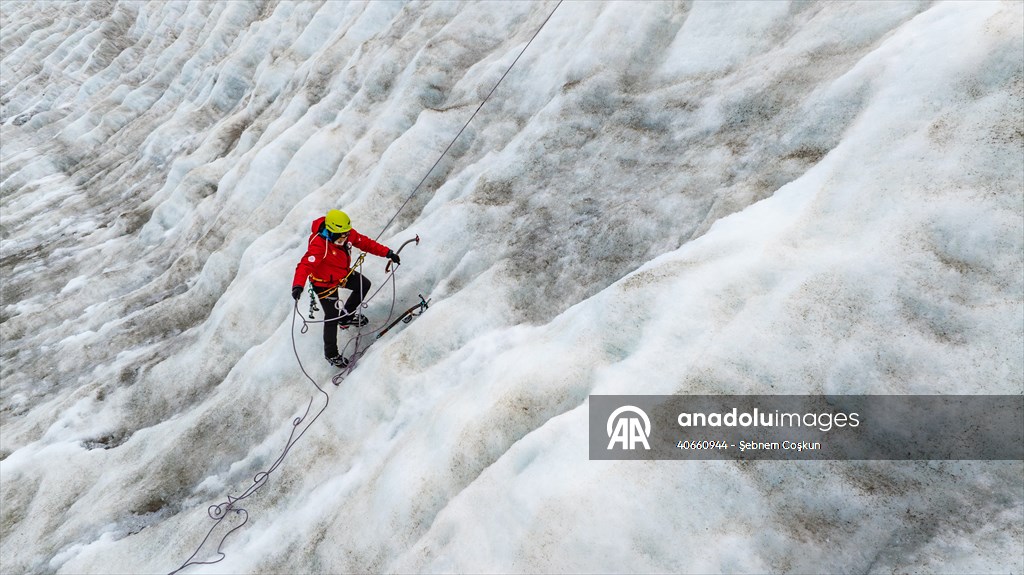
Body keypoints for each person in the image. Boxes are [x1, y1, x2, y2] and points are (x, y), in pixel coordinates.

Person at [291, 209, 400, 368]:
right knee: (331, 316)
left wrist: (387, 253)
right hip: (323, 284)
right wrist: (298, 286)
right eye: (342, 235)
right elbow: (304, 266)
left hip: (340, 274)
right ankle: (331, 354)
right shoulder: (319, 245)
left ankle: (346, 317)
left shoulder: (346, 234)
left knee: (363, 285)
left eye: (346, 234)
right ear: (332, 232)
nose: (345, 238)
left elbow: (365, 242)